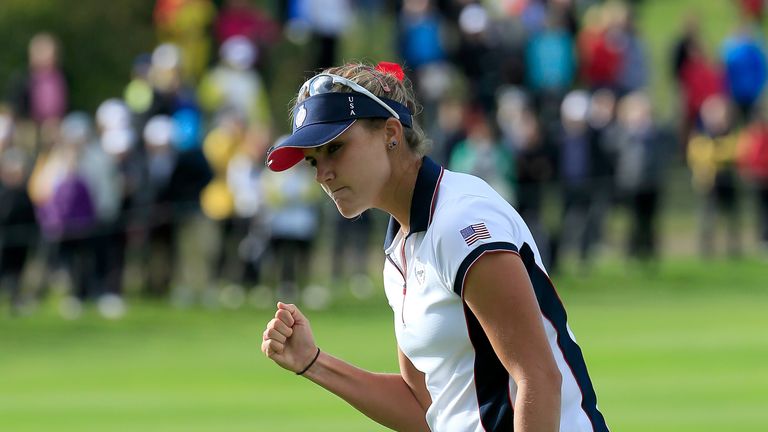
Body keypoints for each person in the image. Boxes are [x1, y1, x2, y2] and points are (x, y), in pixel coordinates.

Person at [260, 62, 609, 432]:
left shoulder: (460, 221)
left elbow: (538, 378)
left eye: (335, 147)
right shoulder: (399, 251)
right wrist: (313, 362)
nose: (322, 173)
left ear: (390, 133)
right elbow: (424, 406)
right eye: (314, 160)